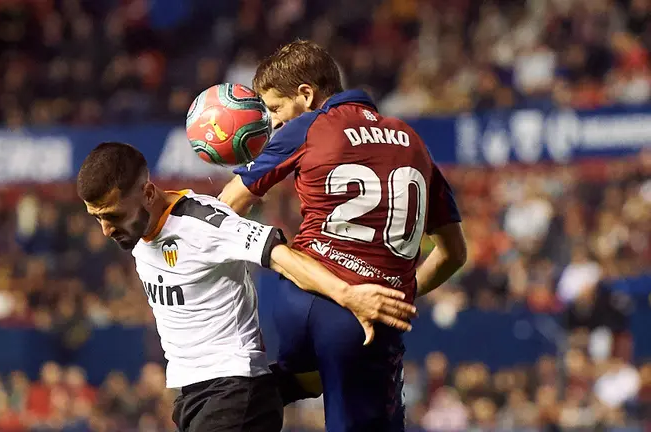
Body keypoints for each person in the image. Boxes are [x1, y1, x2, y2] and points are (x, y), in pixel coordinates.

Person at [75, 142, 418, 432]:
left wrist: (349, 295)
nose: (105, 229)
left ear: (148, 192)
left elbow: (282, 258)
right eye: (98, 218)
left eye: (113, 216)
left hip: (233, 393)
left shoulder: (202, 224)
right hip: (198, 396)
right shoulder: (141, 231)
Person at [218, 40, 468, 431]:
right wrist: (396, 295)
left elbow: (227, 206)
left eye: (275, 109)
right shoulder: (414, 141)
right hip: (361, 325)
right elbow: (454, 254)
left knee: (303, 380)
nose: (275, 123)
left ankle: (233, 405)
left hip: (298, 298)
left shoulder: (307, 128)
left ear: (306, 94)